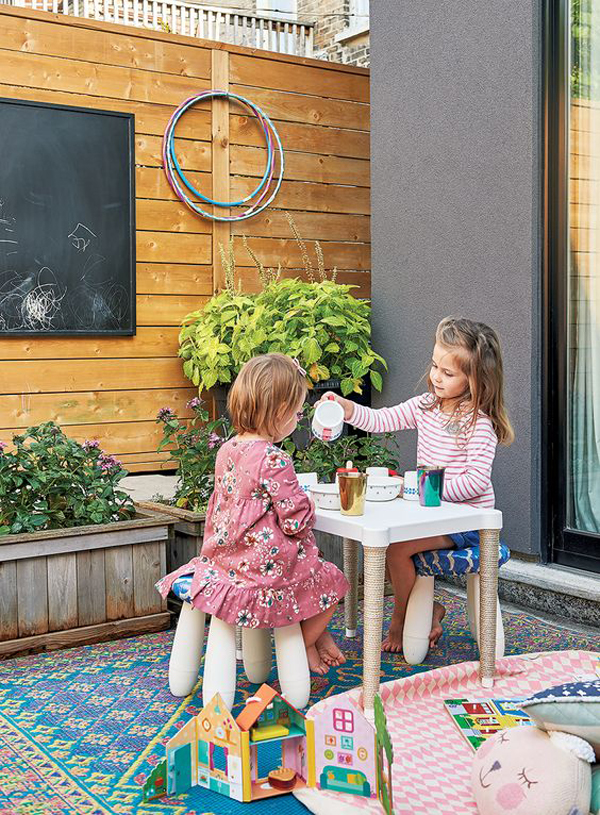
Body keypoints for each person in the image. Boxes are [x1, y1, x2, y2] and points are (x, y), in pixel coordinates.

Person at [318, 317, 514, 654]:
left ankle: (400, 619)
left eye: (448, 373)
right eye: (435, 365)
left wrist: (425, 489)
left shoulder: (479, 423)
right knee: (388, 542)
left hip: (466, 522)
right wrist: (347, 408)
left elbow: (476, 481)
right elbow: (381, 420)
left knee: (396, 548)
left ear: (475, 379)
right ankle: (428, 611)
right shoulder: (425, 408)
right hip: (430, 516)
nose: (436, 376)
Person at [157, 353, 348, 675]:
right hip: (262, 568)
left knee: (307, 572)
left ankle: (316, 639)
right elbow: (296, 520)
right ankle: (303, 643)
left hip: (224, 559)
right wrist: (311, 502)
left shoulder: (228, 449)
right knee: (332, 580)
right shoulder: (274, 458)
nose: (300, 418)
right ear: (280, 412)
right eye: (298, 411)